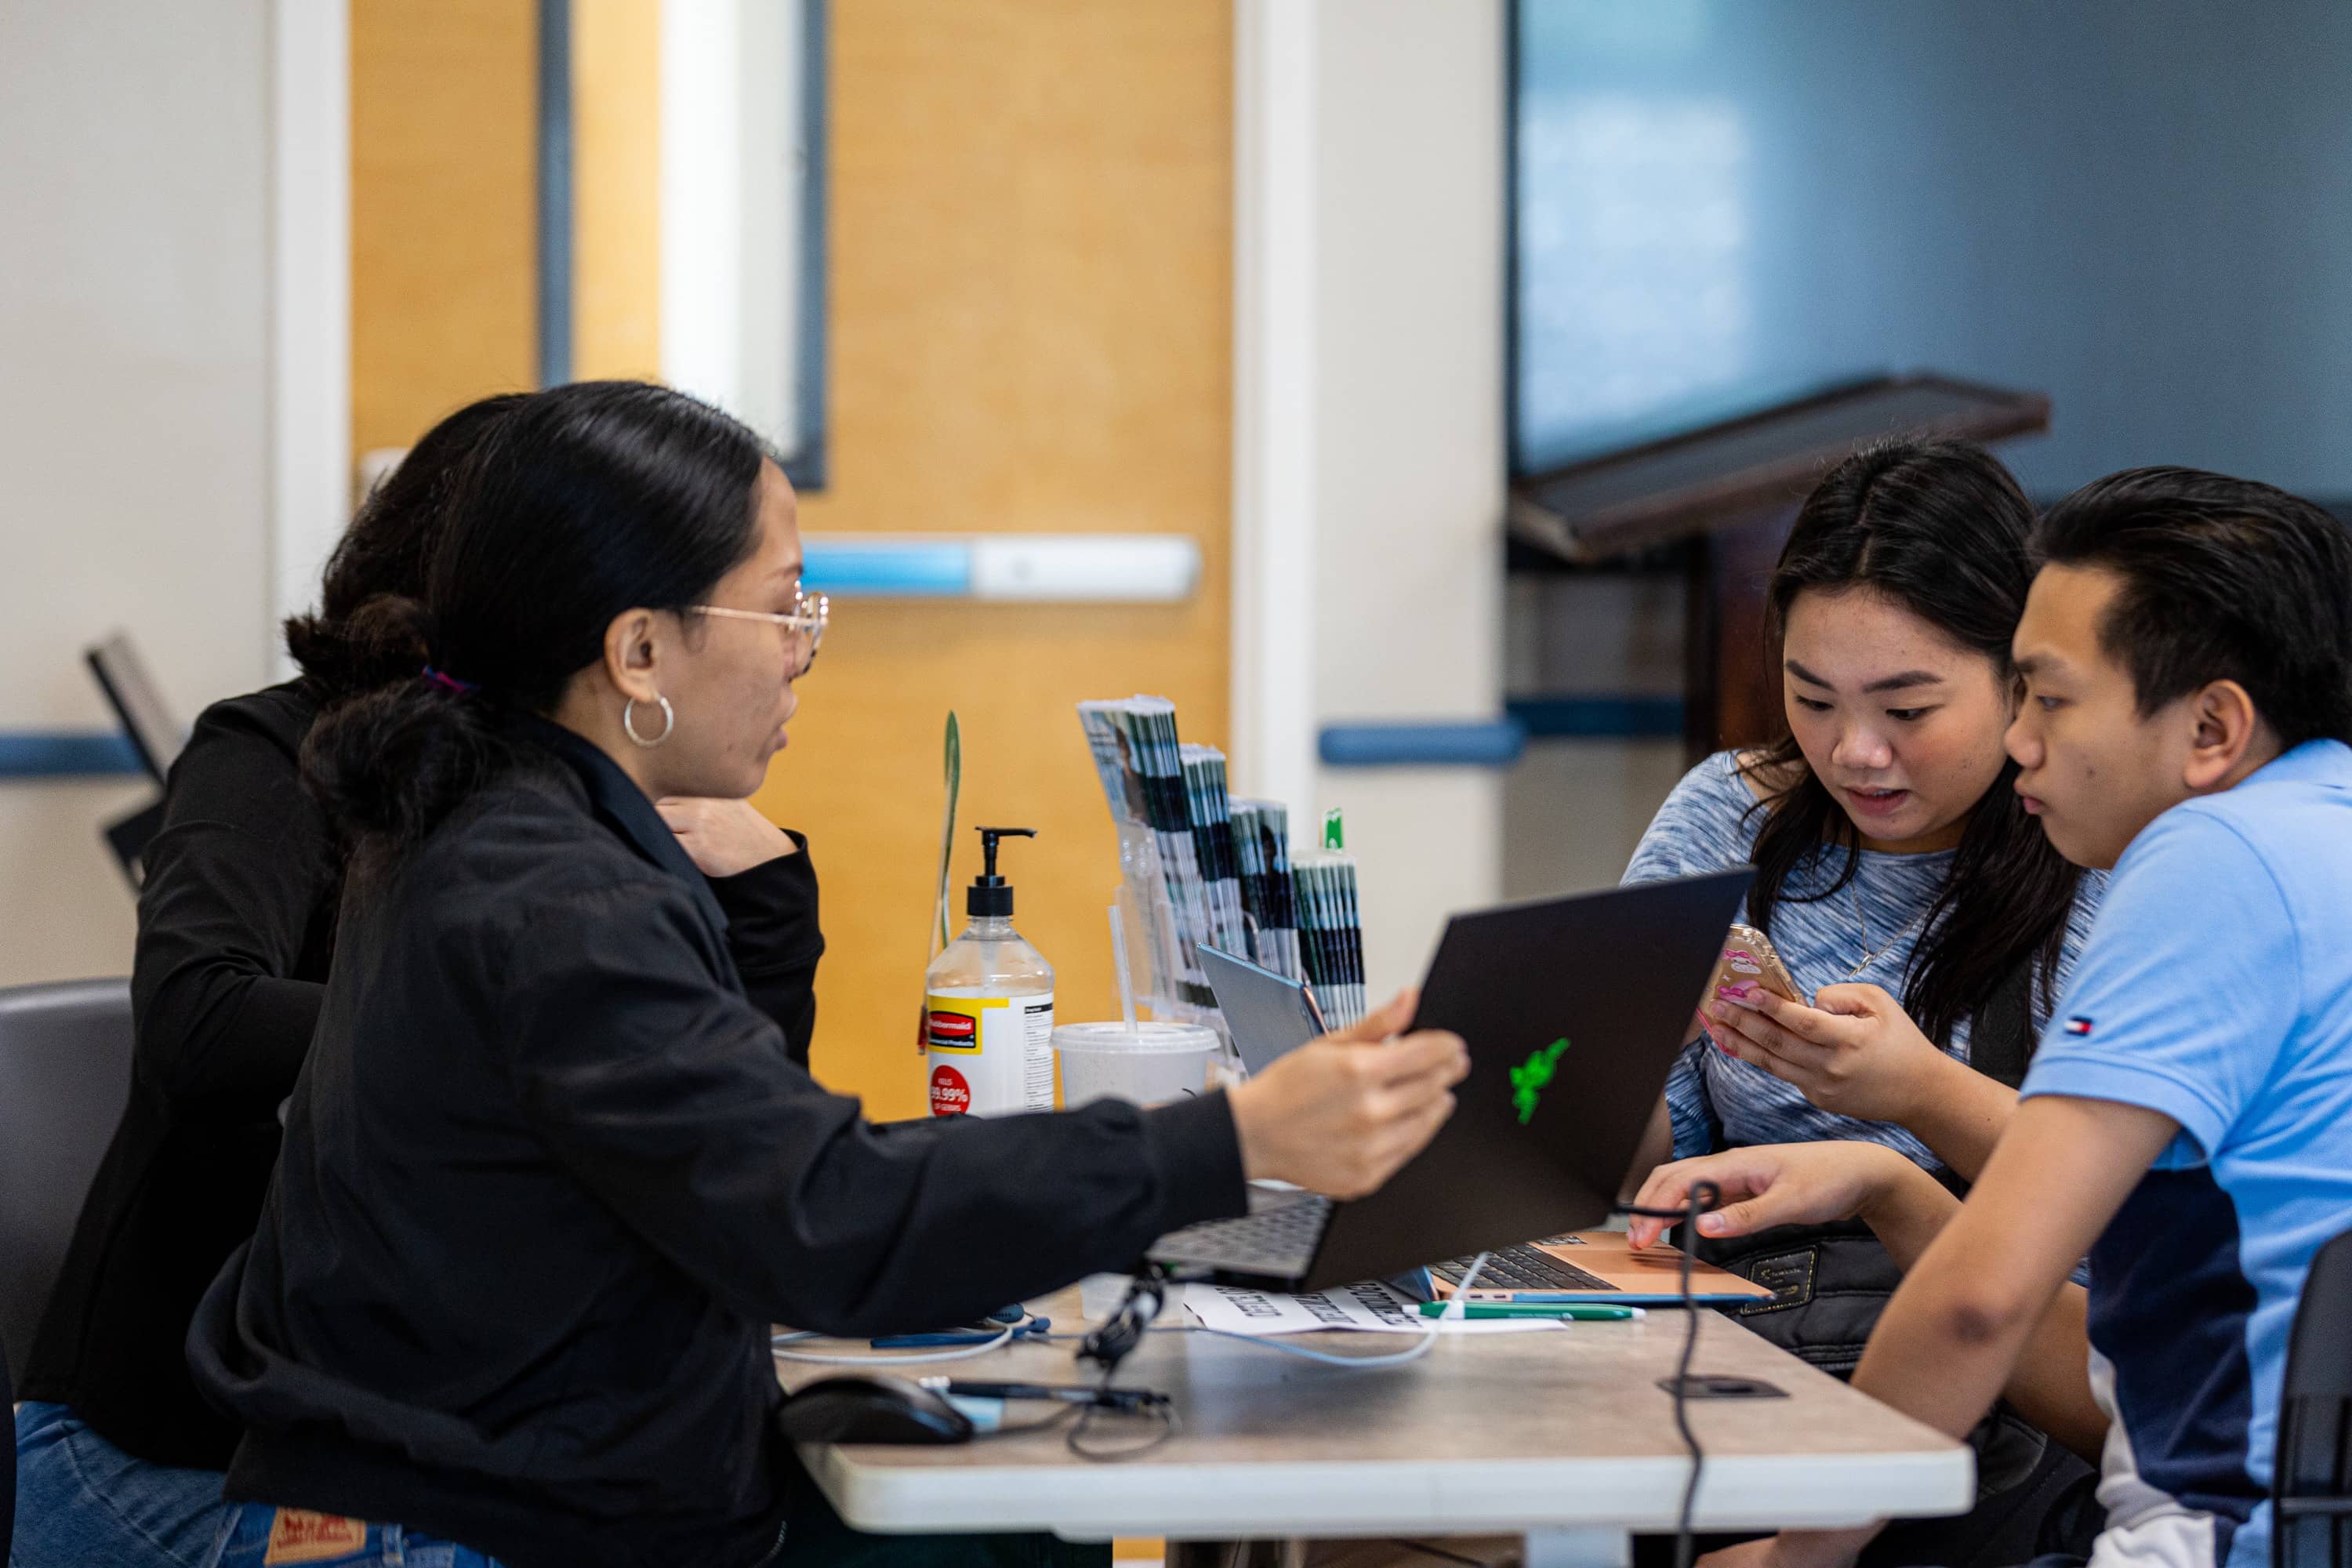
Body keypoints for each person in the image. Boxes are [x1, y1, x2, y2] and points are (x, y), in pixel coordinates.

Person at [185, 380, 1468, 1568]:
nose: (805, 645)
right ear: (638, 652)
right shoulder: (553, 899)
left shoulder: (497, 824)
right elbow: (823, 1214)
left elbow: (751, 1146)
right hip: (485, 1523)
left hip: (490, 1480)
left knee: (1020, 1529)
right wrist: (1230, 1138)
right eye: (784, 603)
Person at [11, 393, 825, 1568]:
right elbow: (199, 1017)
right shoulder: (276, 752)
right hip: (185, 1455)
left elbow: (721, 1149)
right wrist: (486, 1039)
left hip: (425, 1445)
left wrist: (765, 907)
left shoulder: (578, 800)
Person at [1653, 466, 2352, 1568]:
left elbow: (1980, 1303)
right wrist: (1887, 1181)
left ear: (2214, 725)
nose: (2026, 740)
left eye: (2050, 696)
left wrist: (1801, 1560)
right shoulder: (2325, 824)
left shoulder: (2206, 860)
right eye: (1814, 697)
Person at [1625, 438, 2100, 1190]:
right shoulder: (1728, 815)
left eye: (1906, 709)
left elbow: (2143, 1214)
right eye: (1813, 700)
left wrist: (1923, 1093)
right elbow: (1638, 1173)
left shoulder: (2101, 841)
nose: (1854, 752)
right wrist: (1623, 1050)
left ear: (2020, 675)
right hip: (1745, 1296)